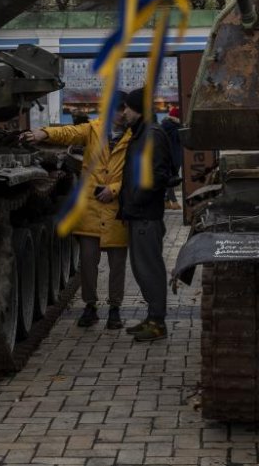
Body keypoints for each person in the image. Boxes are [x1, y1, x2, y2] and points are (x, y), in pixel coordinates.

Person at [19, 95, 131, 329]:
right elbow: (69, 133)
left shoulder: (134, 138)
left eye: (126, 110)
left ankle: (115, 309)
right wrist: (43, 133)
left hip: (117, 210)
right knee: (88, 263)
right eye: (120, 109)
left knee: (117, 265)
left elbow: (136, 174)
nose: (123, 114)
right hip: (91, 209)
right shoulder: (93, 129)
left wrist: (114, 189)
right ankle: (90, 307)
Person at [117, 88, 174, 342]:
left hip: (145, 215)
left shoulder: (151, 135)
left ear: (138, 109)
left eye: (128, 107)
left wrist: (137, 201)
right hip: (137, 213)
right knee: (141, 269)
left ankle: (158, 323)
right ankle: (152, 318)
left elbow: (159, 175)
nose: (124, 112)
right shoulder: (141, 134)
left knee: (150, 269)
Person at [160, 106, 184, 210]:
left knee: (168, 178)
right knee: (172, 179)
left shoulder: (165, 126)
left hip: (166, 156)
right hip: (174, 157)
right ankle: (174, 202)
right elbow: (179, 141)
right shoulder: (176, 128)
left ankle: (166, 202)